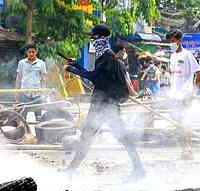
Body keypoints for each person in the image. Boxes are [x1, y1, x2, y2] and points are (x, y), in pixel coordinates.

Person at [63, 24, 144, 178]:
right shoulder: (105, 57)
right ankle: (71, 170)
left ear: (101, 38)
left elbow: (93, 77)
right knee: (91, 136)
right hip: (103, 105)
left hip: (105, 106)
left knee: (109, 137)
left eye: (93, 37)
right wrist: (76, 65)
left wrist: (72, 70)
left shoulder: (107, 57)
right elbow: (96, 76)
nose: (91, 40)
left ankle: (139, 169)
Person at [15, 44, 47, 118]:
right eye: (29, 52)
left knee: (39, 117)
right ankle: (22, 128)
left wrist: (43, 93)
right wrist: (16, 93)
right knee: (22, 116)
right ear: (27, 52)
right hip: (24, 93)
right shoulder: (21, 63)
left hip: (37, 94)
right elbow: (18, 78)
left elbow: (43, 79)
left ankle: (39, 129)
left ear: (36, 52)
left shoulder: (41, 63)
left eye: (33, 52)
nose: (31, 54)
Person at [166, 30, 200, 95]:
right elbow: (172, 74)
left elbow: (199, 73)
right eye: (169, 42)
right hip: (174, 94)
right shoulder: (172, 56)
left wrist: (194, 91)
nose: (171, 44)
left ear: (180, 40)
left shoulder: (187, 54)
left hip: (186, 94)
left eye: (173, 41)